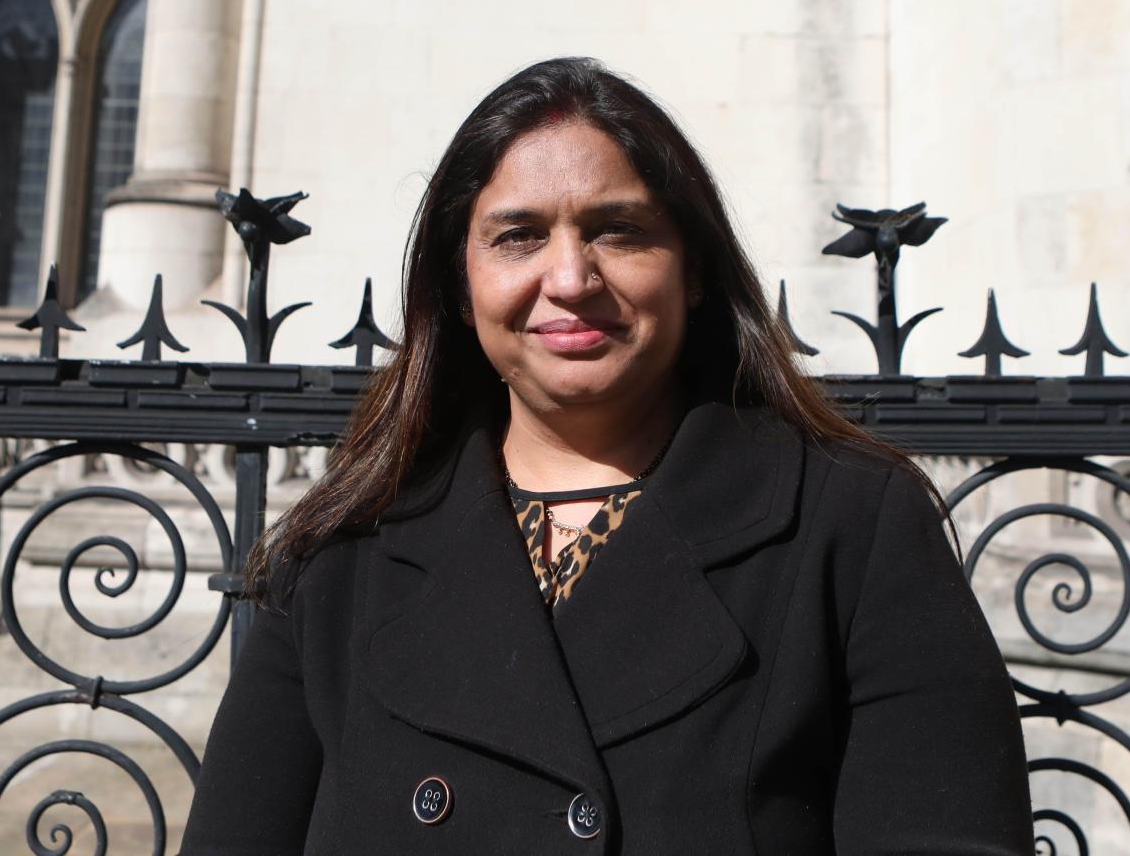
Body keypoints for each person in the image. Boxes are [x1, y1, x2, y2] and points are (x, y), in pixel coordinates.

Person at [178, 57, 1033, 854]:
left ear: (692, 271)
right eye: (517, 235)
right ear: (460, 283)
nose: (571, 277)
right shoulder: (342, 555)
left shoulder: (849, 527)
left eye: (617, 230)